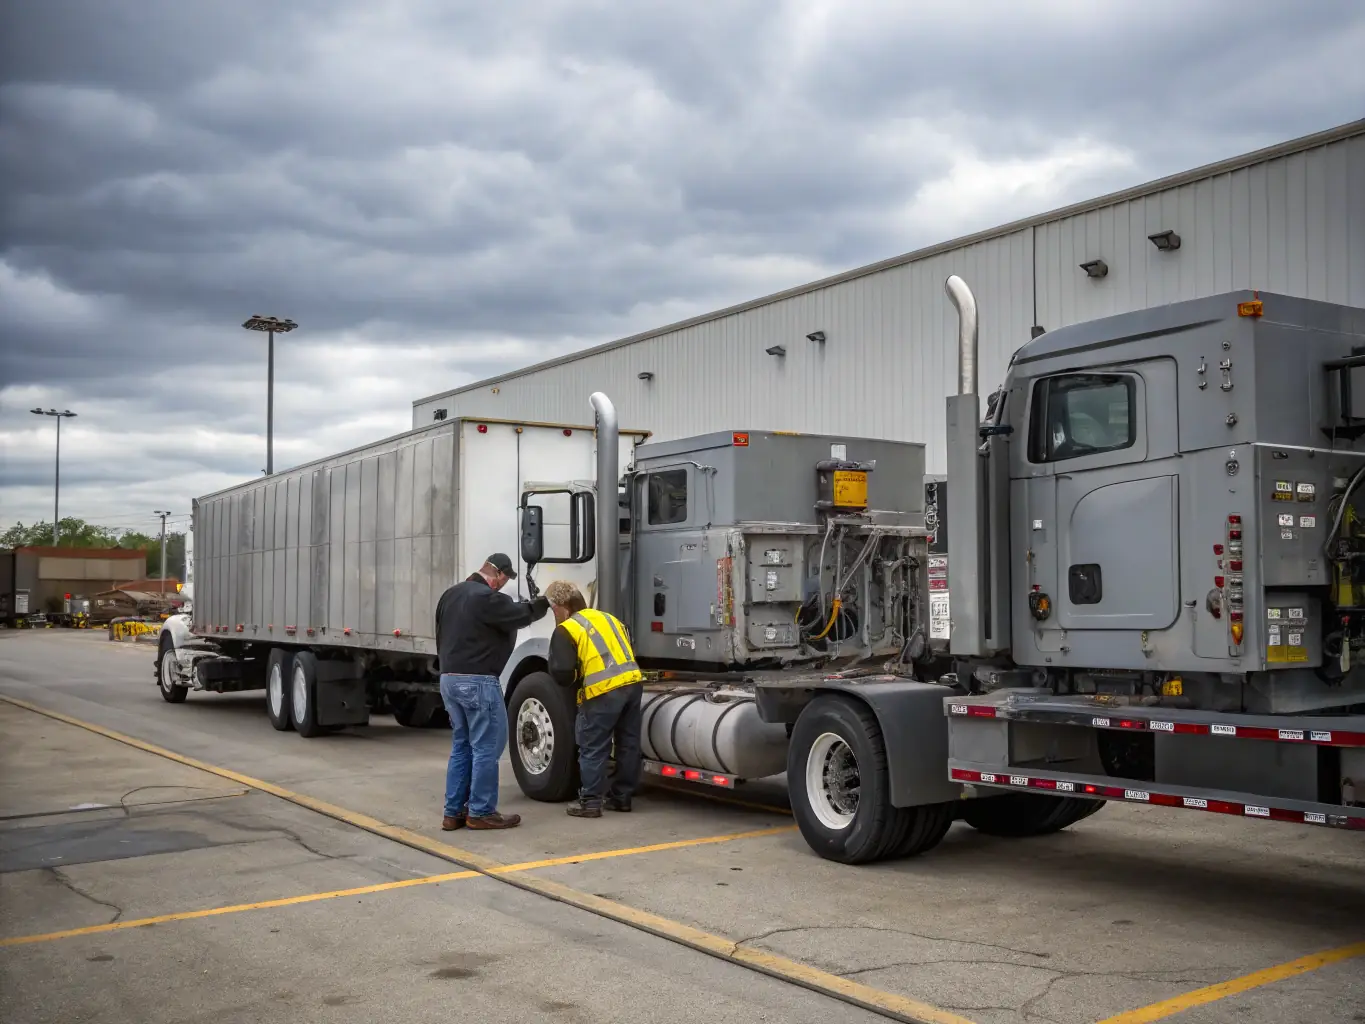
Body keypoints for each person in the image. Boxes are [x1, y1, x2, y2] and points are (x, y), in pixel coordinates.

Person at [435, 553, 549, 831]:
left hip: (449, 679)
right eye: (504, 579)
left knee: (462, 746)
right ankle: (481, 811)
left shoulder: (449, 596)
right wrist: (545, 603)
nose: (502, 585)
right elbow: (521, 615)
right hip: (478, 682)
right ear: (496, 574)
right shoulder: (487, 598)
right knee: (487, 746)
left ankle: (453, 813)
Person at [544, 581, 645, 818]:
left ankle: (590, 801)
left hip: (602, 691)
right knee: (628, 743)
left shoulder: (567, 628)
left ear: (562, 607)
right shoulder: (610, 619)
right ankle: (622, 798)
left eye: (553, 609)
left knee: (592, 747)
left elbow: (563, 673)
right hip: (633, 684)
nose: (553, 615)